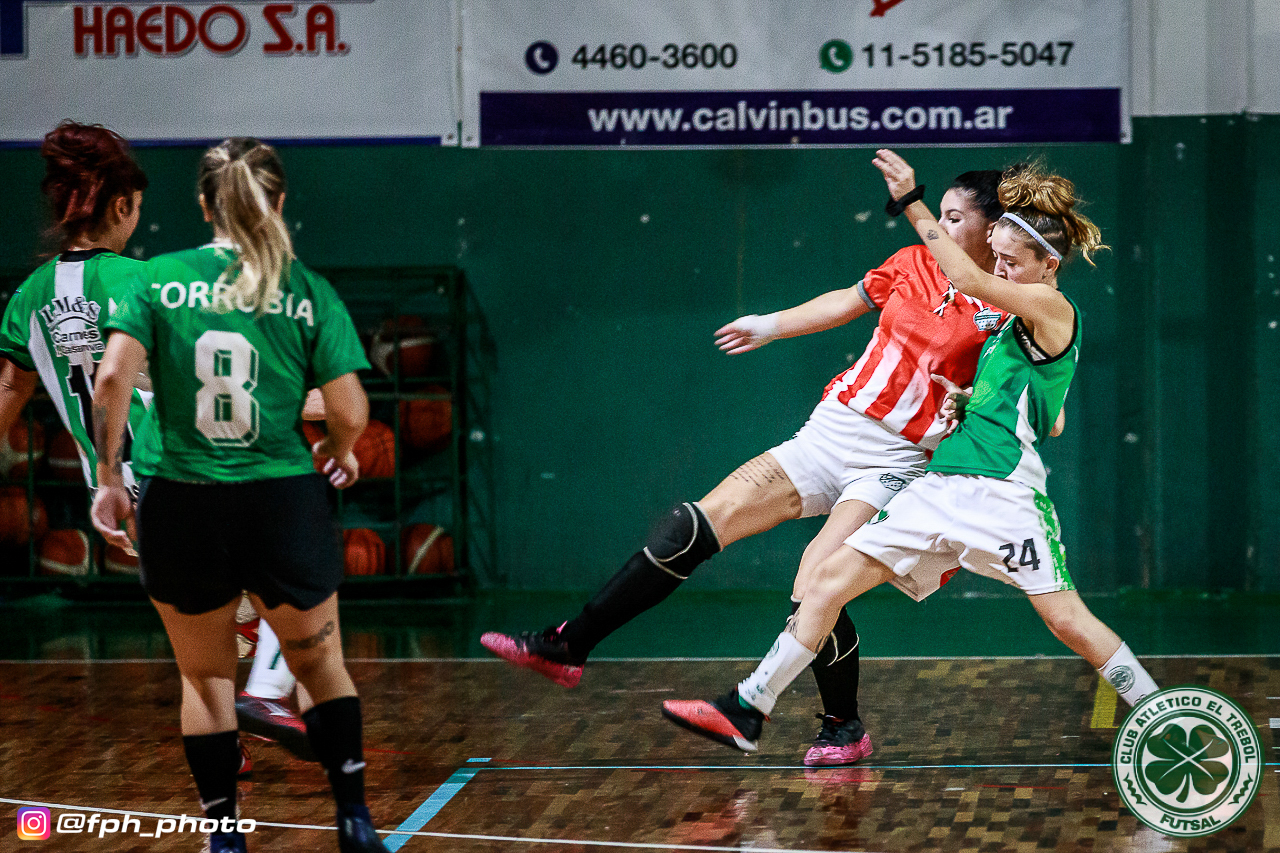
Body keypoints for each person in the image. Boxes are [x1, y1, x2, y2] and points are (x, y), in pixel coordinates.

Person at [483, 166, 1019, 766]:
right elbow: (845, 303)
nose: (936, 226)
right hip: (830, 433)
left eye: (953, 218)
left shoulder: (1011, 310)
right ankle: (569, 646)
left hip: (899, 459)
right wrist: (771, 325)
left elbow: (1011, 402)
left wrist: (968, 407)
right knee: (690, 527)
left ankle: (838, 725)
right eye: (936, 213)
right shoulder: (913, 262)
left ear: (994, 230)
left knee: (816, 580)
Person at [661, 150, 1158, 753]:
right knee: (825, 581)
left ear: (1048, 264)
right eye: (998, 258)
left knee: (1066, 620)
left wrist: (911, 202)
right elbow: (1049, 420)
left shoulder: (1053, 306)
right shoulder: (1016, 324)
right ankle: (749, 707)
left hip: (1004, 495)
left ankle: (1159, 711)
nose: (1001, 270)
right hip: (942, 485)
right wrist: (969, 403)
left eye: (1011, 262)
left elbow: (970, 283)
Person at [89, 137, 387, 853]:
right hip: (278, 499)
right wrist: (341, 450)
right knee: (321, 665)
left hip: (181, 499)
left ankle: (224, 835)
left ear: (203, 204)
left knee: (205, 678)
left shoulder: (156, 278)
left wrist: (108, 477)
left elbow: (112, 380)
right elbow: (349, 407)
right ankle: (353, 819)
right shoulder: (303, 286)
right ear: (279, 201)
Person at [0, 121, 316, 772]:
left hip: (121, 504)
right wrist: (319, 403)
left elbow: (6, 400)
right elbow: (209, 378)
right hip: (182, 472)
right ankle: (264, 693)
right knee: (305, 569)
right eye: (137, 207)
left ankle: (223, 773)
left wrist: (106, 476)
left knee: (205, 648)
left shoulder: (26, 303)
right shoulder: (143, 282)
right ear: (121, 205)